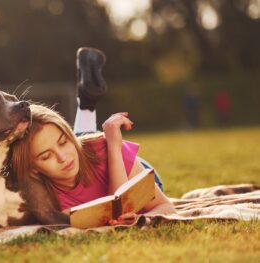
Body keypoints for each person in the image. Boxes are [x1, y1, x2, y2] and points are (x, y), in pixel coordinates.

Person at [12, 48, 176, 225]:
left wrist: (113, 145)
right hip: (94, 154)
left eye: (63, 142)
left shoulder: (103, 148)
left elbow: (166, 208)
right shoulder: (45, 198)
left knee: (90, 143)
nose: (62, 158)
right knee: (85, 143)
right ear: (33, 168)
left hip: (131, 167)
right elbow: (116, 213)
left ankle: (85, 109)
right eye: (46, 156)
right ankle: (86, 103)